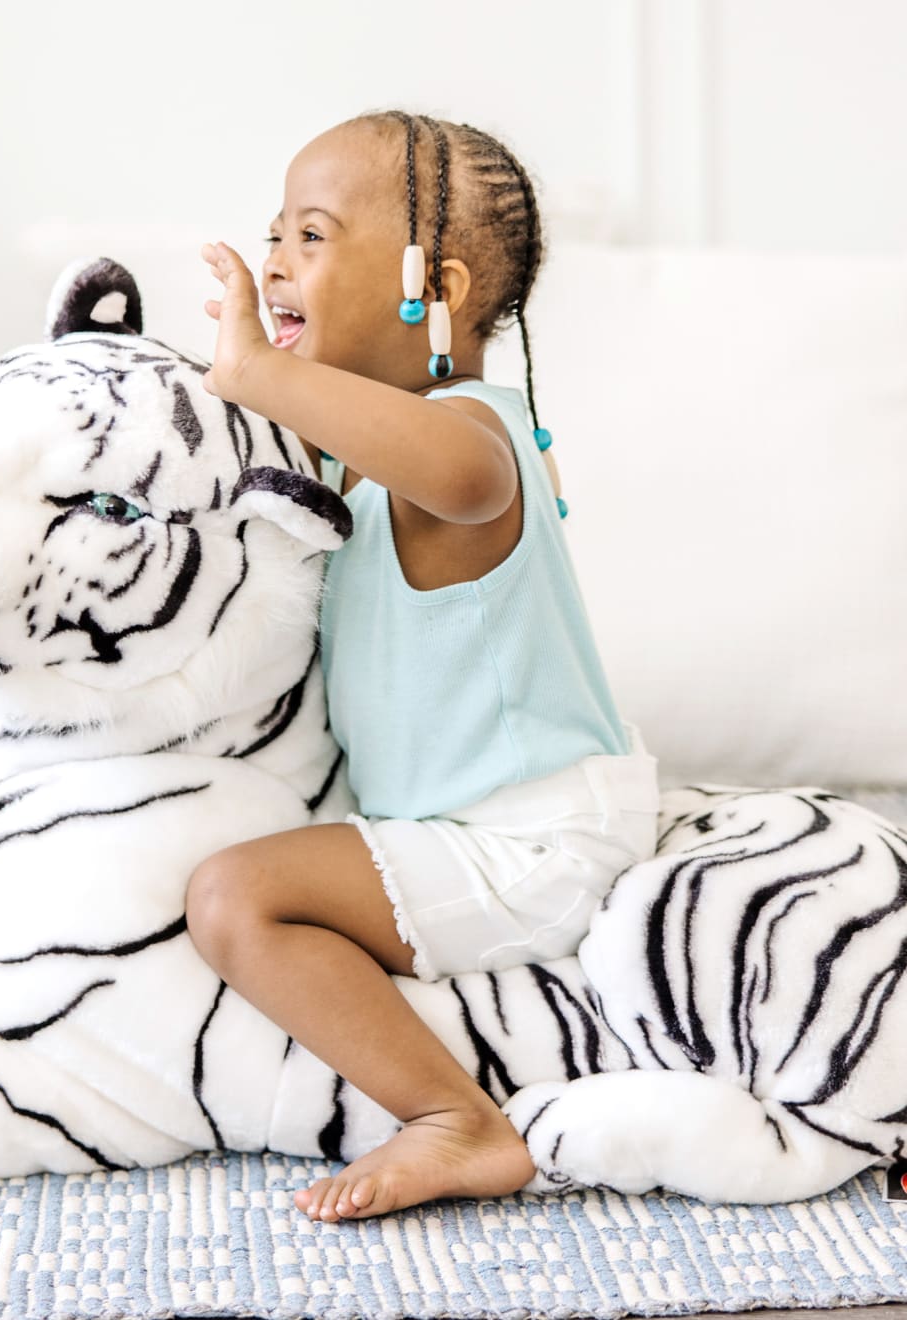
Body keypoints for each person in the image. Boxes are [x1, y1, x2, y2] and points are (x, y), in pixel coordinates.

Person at [186, 111, 659, 1222]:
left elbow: (460, 480)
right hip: (478, 820)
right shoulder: (361, 458)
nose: (276, 262)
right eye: (273, 236)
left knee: (233, 899)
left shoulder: (471, 434)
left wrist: (260, 373)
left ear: (433, 291)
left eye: (311, 236)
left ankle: (459, 1123)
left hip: (529, 841)